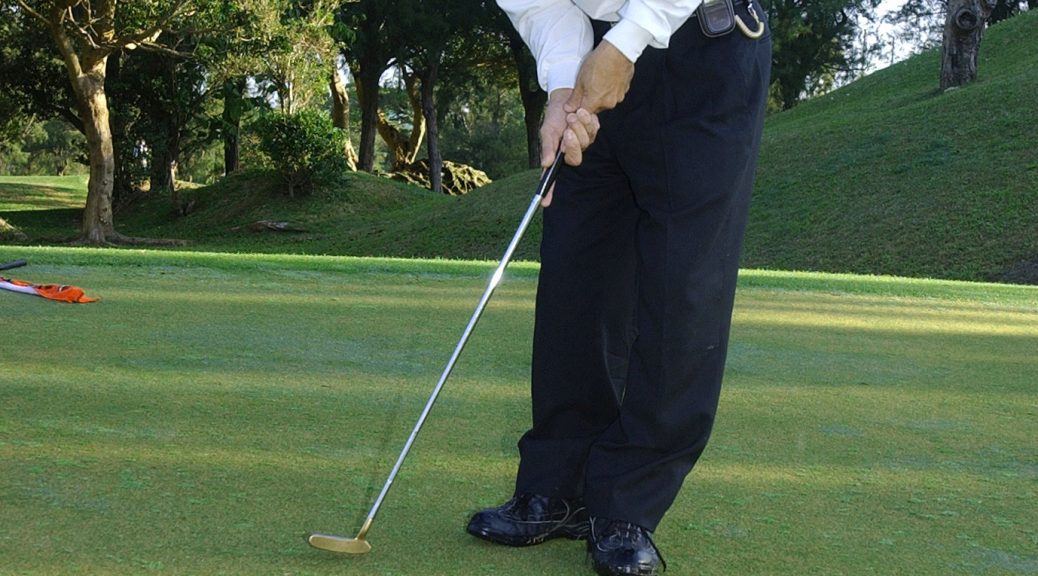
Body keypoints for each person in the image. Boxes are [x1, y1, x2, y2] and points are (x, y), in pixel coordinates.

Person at [468, 0, 771, 574]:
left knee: (682, 287)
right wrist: (562, 86)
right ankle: (559, 487)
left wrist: (629, 41)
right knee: (575, 274)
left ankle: (627, 505)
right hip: (595, 55)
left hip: (702, 46)